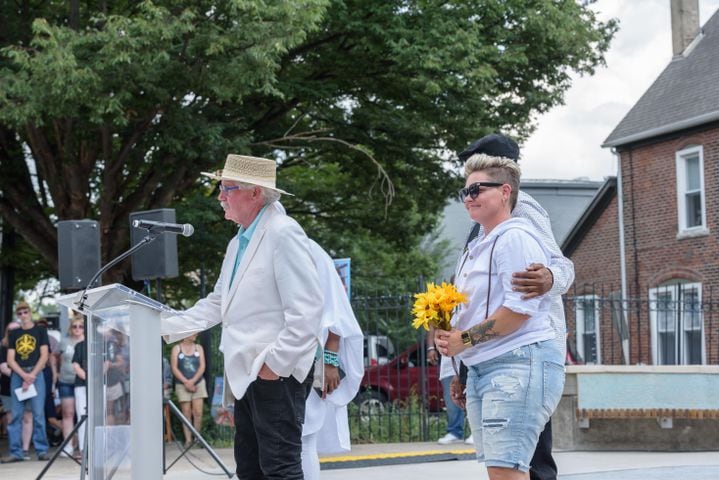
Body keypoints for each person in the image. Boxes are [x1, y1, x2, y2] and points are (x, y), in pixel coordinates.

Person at [161, 154, 323, 479]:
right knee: (250, 468)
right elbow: (216, 304)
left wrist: (274, 366)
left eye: (228, 188)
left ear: (255, 193)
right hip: (249, 374)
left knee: (279, 469)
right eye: (220, 188)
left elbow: (308, 312)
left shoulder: (283, 233)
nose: (220, 196)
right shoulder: (238, 242)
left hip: (275, 372)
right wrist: (156, 326)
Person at [435, 152, 565, 480]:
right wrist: (461, 364)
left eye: (477, 189)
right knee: (501, 471)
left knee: (507, 472)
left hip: (518, 362)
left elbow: (518, 313)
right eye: (465, 192)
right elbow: (473, 312)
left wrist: (462, 341)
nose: (469, 198)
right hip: (489, 366)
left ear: (505, 192)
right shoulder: (480, 246)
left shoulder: (515, 238)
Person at [301, 239, 364, 480]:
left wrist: (329, 361)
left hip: (310, 360)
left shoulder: (308, 250)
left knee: (305, 436)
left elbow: (336, 314)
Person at [1, 301, 50, 463]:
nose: (23, 315)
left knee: (38, 414)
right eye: (20, 313)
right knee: (16, 415)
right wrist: (24, 376)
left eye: (25, 312)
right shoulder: (14, 334)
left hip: (36, 374)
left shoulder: (40, 330)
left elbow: (44, 355)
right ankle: (16, 452)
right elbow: (10, 359)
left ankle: (42, 450)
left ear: (30, 312)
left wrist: (32, 375)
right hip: (18, 375)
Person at [54, 315, 84, 458]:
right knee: (68, 414)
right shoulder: (64, 342)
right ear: (70, 328)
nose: (77, 329)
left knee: (83, 414)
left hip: (82, 382)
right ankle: (68, 446)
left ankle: (84, 446)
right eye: (74, 326)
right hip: (65, 381)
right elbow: (54, 357)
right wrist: (56, 373)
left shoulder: (87, 341)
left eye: (81, 326)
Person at [170, 333, 207, 447]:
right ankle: (188, 440)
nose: (196, 334)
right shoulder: (176, 348)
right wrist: (186, 382)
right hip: (182, 384)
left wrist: (192, 381)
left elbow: (202, 366)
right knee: (186, 413)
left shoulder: (199, 348)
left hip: (198, 383)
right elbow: (174, 368)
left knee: (198, 412)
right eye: (193, 332)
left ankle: (197, 438)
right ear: (185, 334)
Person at [71, 337, 88, 457]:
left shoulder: (103, 344)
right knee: (82, 416)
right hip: (81, 385)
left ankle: (99, 449)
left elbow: (106, 364)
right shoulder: (80, 346)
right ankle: (83, 448)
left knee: (99, 417)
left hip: (99, 384)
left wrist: (94, 380)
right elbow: (76, 366)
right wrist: (89, 379)